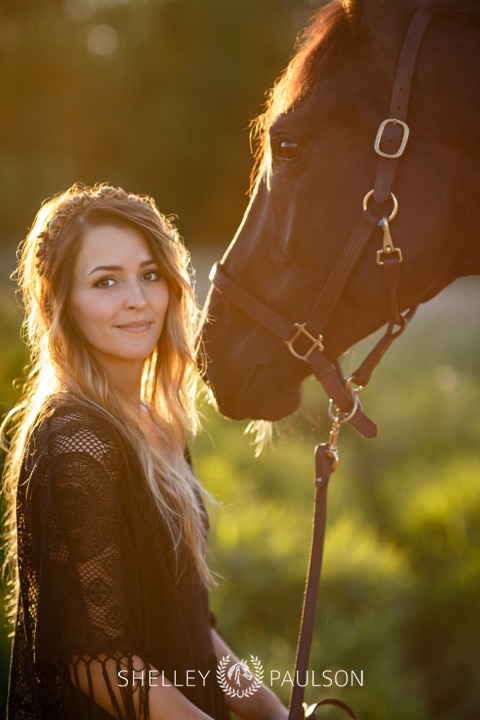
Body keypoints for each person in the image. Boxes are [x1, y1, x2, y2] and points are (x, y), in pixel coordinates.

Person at [1, 183, 288, 720]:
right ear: (57, 301)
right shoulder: (74, 441)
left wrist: (274, 713)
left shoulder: (159, 426)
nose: (137, 299)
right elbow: (100, 667)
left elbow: (191, 628)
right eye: (105, 281)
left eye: (149, 274)